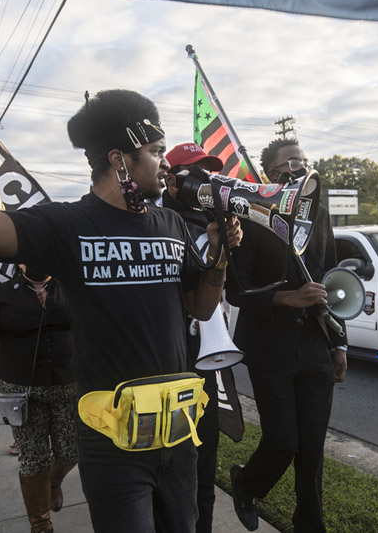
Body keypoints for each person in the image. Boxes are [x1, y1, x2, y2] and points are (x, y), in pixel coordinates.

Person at [0, 61, 240, 533]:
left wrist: (220, 253)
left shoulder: (173, 224)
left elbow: (200, 308)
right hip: (113, 442)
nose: (165, 164)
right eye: (156, 152)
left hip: (177, 435)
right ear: (121, 159)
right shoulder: (66, 225)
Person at [227, 138, 346, 533]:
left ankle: (309, 526)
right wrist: (287, 298)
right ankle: (245, 483)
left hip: (314, 346)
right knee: (283, 443)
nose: (299, 164)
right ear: (271, 174)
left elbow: (329, 280)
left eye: (303, 159)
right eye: (290, 160)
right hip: (269, 348)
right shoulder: (250, 214)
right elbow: (236, 291)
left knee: (312, 451)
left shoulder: (321, 215)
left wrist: (338, 342)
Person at [160, 141, 237, 533]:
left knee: (204, 462)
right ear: (172, 182)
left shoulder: (216, 222)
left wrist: (226, 248)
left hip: (205, 361)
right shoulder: (157, 223)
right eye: (196, 175)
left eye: (210, 174)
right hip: (171, 359)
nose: (205, 182)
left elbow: (231, 291)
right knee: (170, 469)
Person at [0, 266, 76, 533]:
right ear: (20, 263)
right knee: (32, 458)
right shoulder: (2, 294)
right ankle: (40, 524)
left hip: (67, 384)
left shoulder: (71, 286)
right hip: (21, 388)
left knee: (71, 450)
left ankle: (51, 481)